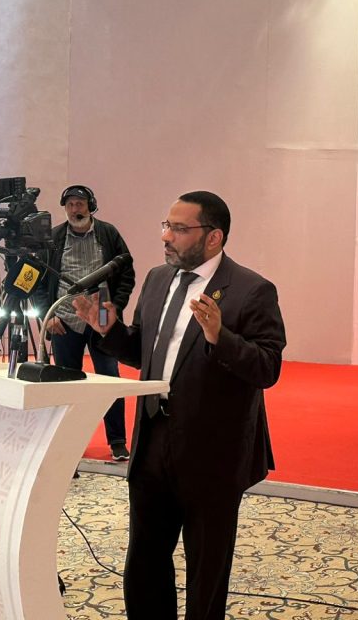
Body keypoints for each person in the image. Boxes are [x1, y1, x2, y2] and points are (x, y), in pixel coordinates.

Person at [73, 190, 286, 620]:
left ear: (213, 237)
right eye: (166, 226)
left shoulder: (252, 290)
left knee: (206, 568)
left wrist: (219, 337)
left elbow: (267, 367)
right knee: (145, 560)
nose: (166, 236)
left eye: (179, 229)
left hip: (212, 453)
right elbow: (144, 350)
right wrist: (108, 330)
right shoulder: (157, 279)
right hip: (152, 440)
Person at [45, 184, 136, 461]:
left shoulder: (108, 233)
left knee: (109, 379)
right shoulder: (54, 238)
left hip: (103, 316)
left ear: (91, 206)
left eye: (80, 204)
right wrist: (47, 315)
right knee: (66, 383)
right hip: (65, 318)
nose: (75, 209)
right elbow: (39, 279)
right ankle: (68, 442)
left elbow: (126, 273)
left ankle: (117, 441)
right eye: (70, 205)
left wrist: (115, 307)